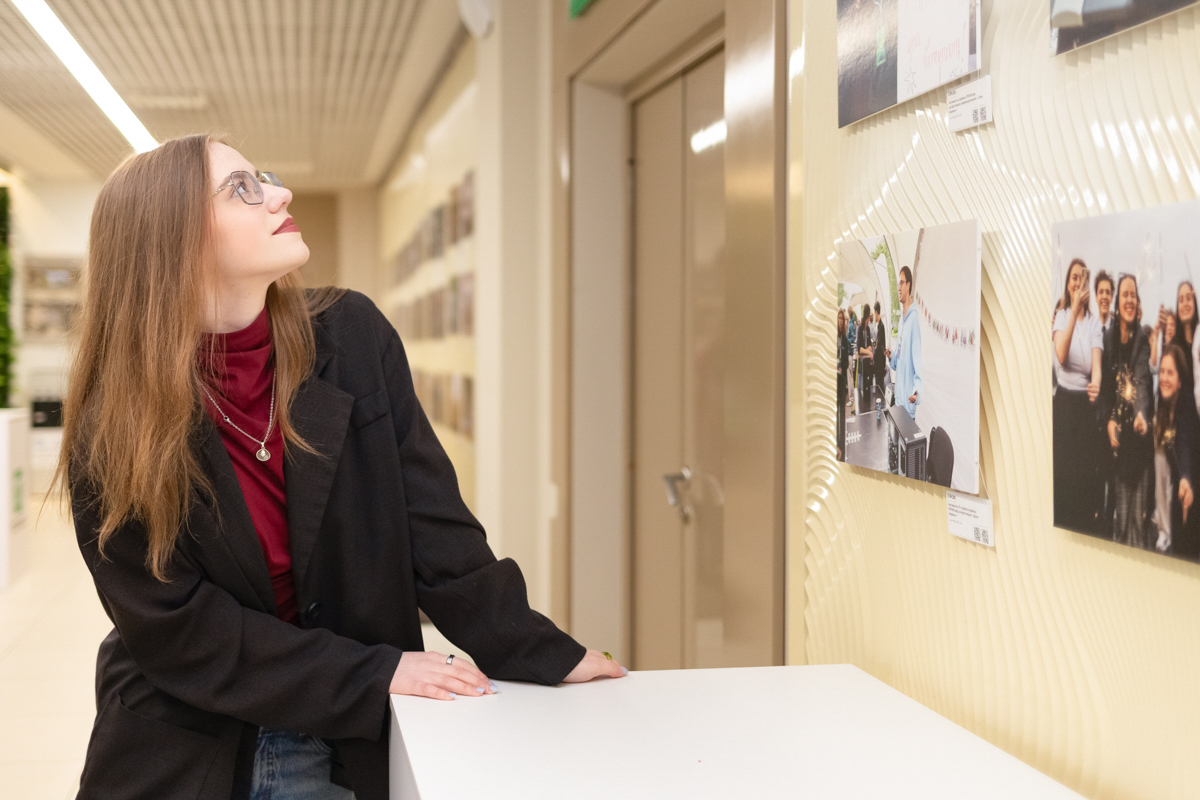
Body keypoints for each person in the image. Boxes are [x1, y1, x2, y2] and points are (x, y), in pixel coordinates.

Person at [52, 134, 625, 800]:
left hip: (349, 735)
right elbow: (180, 631)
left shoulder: (349, 336)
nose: (280, 193)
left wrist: (540, 651)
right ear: (171, 238)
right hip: (194, 738)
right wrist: (371, 672)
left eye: (262, 176)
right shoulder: (113, 421)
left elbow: (435, 530)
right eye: (242, 188)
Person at [1099, 274, 1155, 550]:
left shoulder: (1142, 339)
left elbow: (1143, 381)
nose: (1130, 299)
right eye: (1126, 295)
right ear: (1118, 303)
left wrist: (1142, 413)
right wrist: (1109, 422)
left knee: (1138, 521)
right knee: (1120, 523)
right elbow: (1106, 393)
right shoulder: (1108, 339)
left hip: (1140, 441)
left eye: (1134, 294)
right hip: (1118, 444)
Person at [1052, 258, 1103, 533]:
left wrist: (1096, 384)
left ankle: (1083, 524)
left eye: (1082, 278)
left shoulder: (1094, 324)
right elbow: (1061, 355)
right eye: (1073, 277)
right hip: (1064, 403)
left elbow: (1096, 367)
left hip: (1084, 406)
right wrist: (1073, 313)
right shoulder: (1061, 316)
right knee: (1063, 470)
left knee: (1083, 471)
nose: (1077, 282)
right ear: (1068, 283)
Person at [1152, 345, 1200, 560]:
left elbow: (1185, 443)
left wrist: (1186, 477)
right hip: (1169, 516)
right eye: (1161, 371)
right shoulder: (1163, 411)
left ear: (1180, 380)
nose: (1163, 378)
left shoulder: (1186, 407)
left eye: (1170, 373)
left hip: (1187, 504)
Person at [886, 266, 921, 418]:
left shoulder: (914, 321)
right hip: (898, 402)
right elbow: (898, 362)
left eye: (901, 283)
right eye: (898, 284)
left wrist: (917, 392)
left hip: (907, 405)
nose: (899, 288)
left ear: (908, 285)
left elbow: (917, 361)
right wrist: (891, 356)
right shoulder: (901, 322)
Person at [837, 308, 849, 459]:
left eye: (842, 319)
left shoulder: (845, 340)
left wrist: (841, 367)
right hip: (832, 382)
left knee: (842, 416)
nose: (840, 321)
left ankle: (842, 447)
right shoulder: (833, 338)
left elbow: (845, 362)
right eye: (839, 318)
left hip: (841, 382)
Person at [872, 300, 887, 401]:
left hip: (880, 365)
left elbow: (880, 347)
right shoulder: (879, 326)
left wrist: (874, 351)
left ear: (876, 313)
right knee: (879, 387)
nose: (873, 315)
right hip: (879, 364)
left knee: (880, 388)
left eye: (874, 313)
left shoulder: (881, 327)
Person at [1095, 270, 1115, 340]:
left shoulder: (1118, 330)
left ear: (1111, 297)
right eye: (1101, 292)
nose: (1104, 296)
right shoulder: (1091, 328)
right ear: (1096, 297)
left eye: (1107, 292)